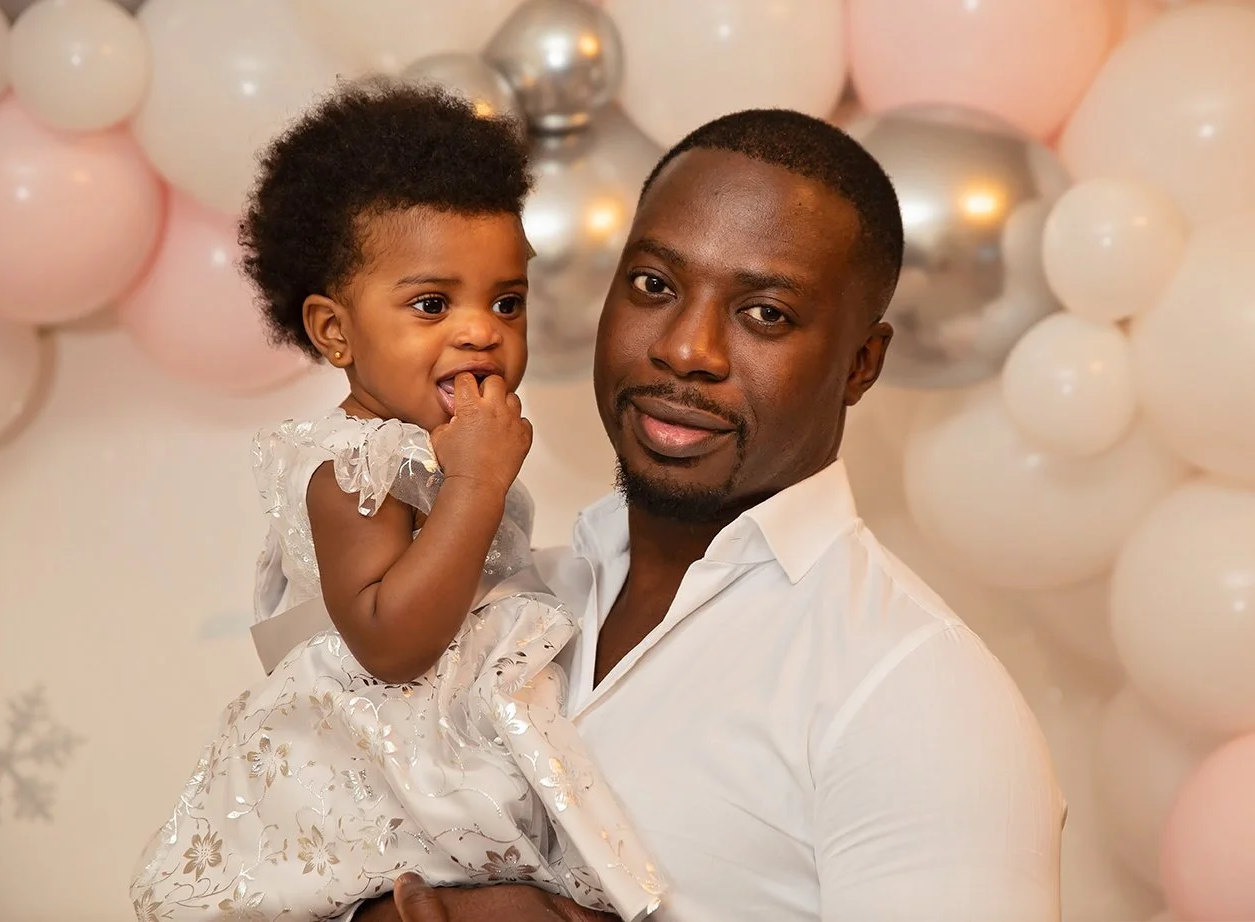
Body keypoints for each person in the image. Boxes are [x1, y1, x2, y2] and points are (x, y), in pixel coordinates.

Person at [347, 109, 1065, 921]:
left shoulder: (916, 693)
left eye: (766, 313)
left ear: (862, 364)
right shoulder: (496, 596)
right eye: (655, 286)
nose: (688, 349)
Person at [128, 81, 661, 922]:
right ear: (335, 331)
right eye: (431, 304)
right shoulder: (355, 466)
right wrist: (478, 485)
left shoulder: (427, 451)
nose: (482, 329)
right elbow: (392, 642)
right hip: (384, 779)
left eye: (506, 301)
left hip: (446, 753)